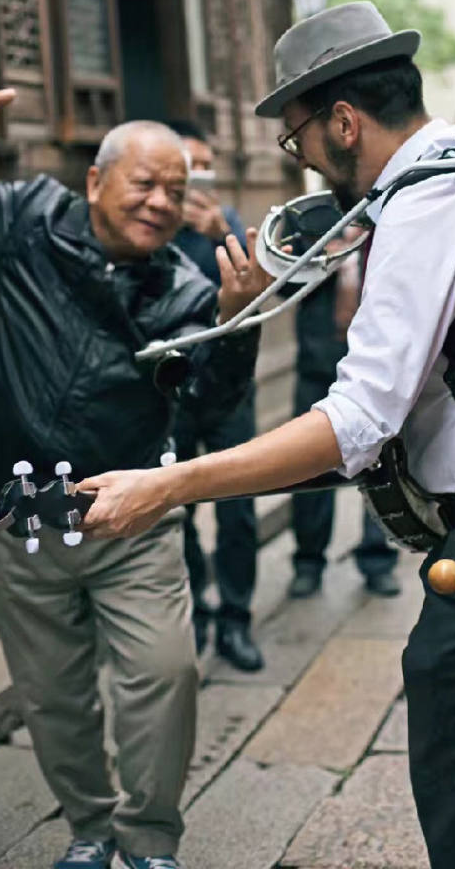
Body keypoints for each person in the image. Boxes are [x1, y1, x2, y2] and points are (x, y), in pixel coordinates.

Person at [78, 2, 455, 869]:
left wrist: (165, 484)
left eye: (300, 139)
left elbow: (356, 421)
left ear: (344, 121)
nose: (305, 160)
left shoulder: (428, 201)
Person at [0, 73, 269, 869]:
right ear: (95, 180)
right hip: (28, 507)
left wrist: (236, 327)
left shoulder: (183, 289)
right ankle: (90, 827)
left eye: (175, 191)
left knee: (165, 672)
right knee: (54, 692)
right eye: (144, 182)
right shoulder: (20, 220)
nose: (159, 203)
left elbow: (208, 413)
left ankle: (148, 842)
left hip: (132, 509)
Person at [166, 118, 263, 672]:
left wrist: (218, 231)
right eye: (186, 164)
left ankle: (236, 619)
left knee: (238, 509)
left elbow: (254, 294)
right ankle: (196, 611)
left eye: (203, 165)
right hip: (174, 389)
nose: (195, 176)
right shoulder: (149, 225)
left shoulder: (226, 225)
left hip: (227, 388)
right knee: (174, 506)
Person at [289, 249, 400, 599]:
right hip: (317, 362)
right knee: (305, 468)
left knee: (382, 467)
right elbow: (281, 286)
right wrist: (320, 256)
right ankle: (308, 561)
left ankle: (378, 560)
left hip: (376, 367)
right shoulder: (313, 220)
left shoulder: (396, 210)